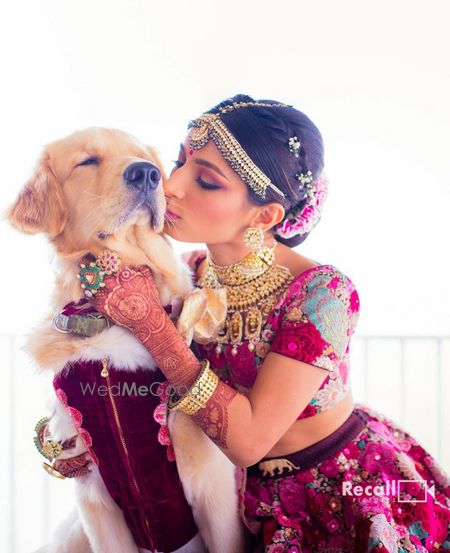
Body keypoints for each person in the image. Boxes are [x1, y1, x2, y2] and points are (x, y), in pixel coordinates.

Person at [83, 94, 450, 552]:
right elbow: (137, 384)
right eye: (179, 161)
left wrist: (154, 327)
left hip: (340, 493)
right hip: (236, 498)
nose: (171, 186)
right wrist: (74, 438)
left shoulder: (323, 295)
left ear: (266, 215)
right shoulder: (193, 272)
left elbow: (249, 440)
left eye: (207, 182)